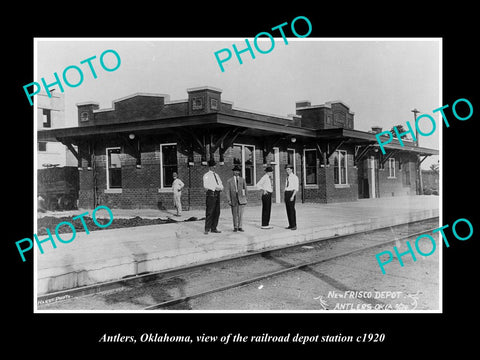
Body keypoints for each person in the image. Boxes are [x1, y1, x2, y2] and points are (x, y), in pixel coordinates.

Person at [203, 159, 224, 234]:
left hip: (217, 195)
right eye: (213, 166)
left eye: (214, 166)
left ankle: (214, 227)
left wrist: (221, 187)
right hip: (211, 194)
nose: (214, 167)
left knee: (217, 212)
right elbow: (206, 185)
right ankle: (207, 228)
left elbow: (221, 184)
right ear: (210, 167)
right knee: (210, 212)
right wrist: (215, 187)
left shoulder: (217, 175)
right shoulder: (206, 175)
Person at [225, 165, 247, 232]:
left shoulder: (242, 180)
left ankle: (240, 226)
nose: (236, 172)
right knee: (234, 213)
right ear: (233, 172)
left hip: (241, 199)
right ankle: (235, 227)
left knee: (240, 213)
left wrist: (245, 198)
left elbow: (245, 189)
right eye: (235, 171)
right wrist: (229, 200)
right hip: (233, 198)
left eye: (238, 171)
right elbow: (227, 191)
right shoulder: (229, 181)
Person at [284, 164, 299, 230]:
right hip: (287, 193)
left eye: (288, 169)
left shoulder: (294, 177)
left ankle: (294, 225)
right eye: (286, 170)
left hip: (291, 193)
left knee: (292, 209)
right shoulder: (287, 177)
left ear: (291, 169)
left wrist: (292, 196)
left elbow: (296, 188)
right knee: (288, 210)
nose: (287, 171)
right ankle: (290, 224)